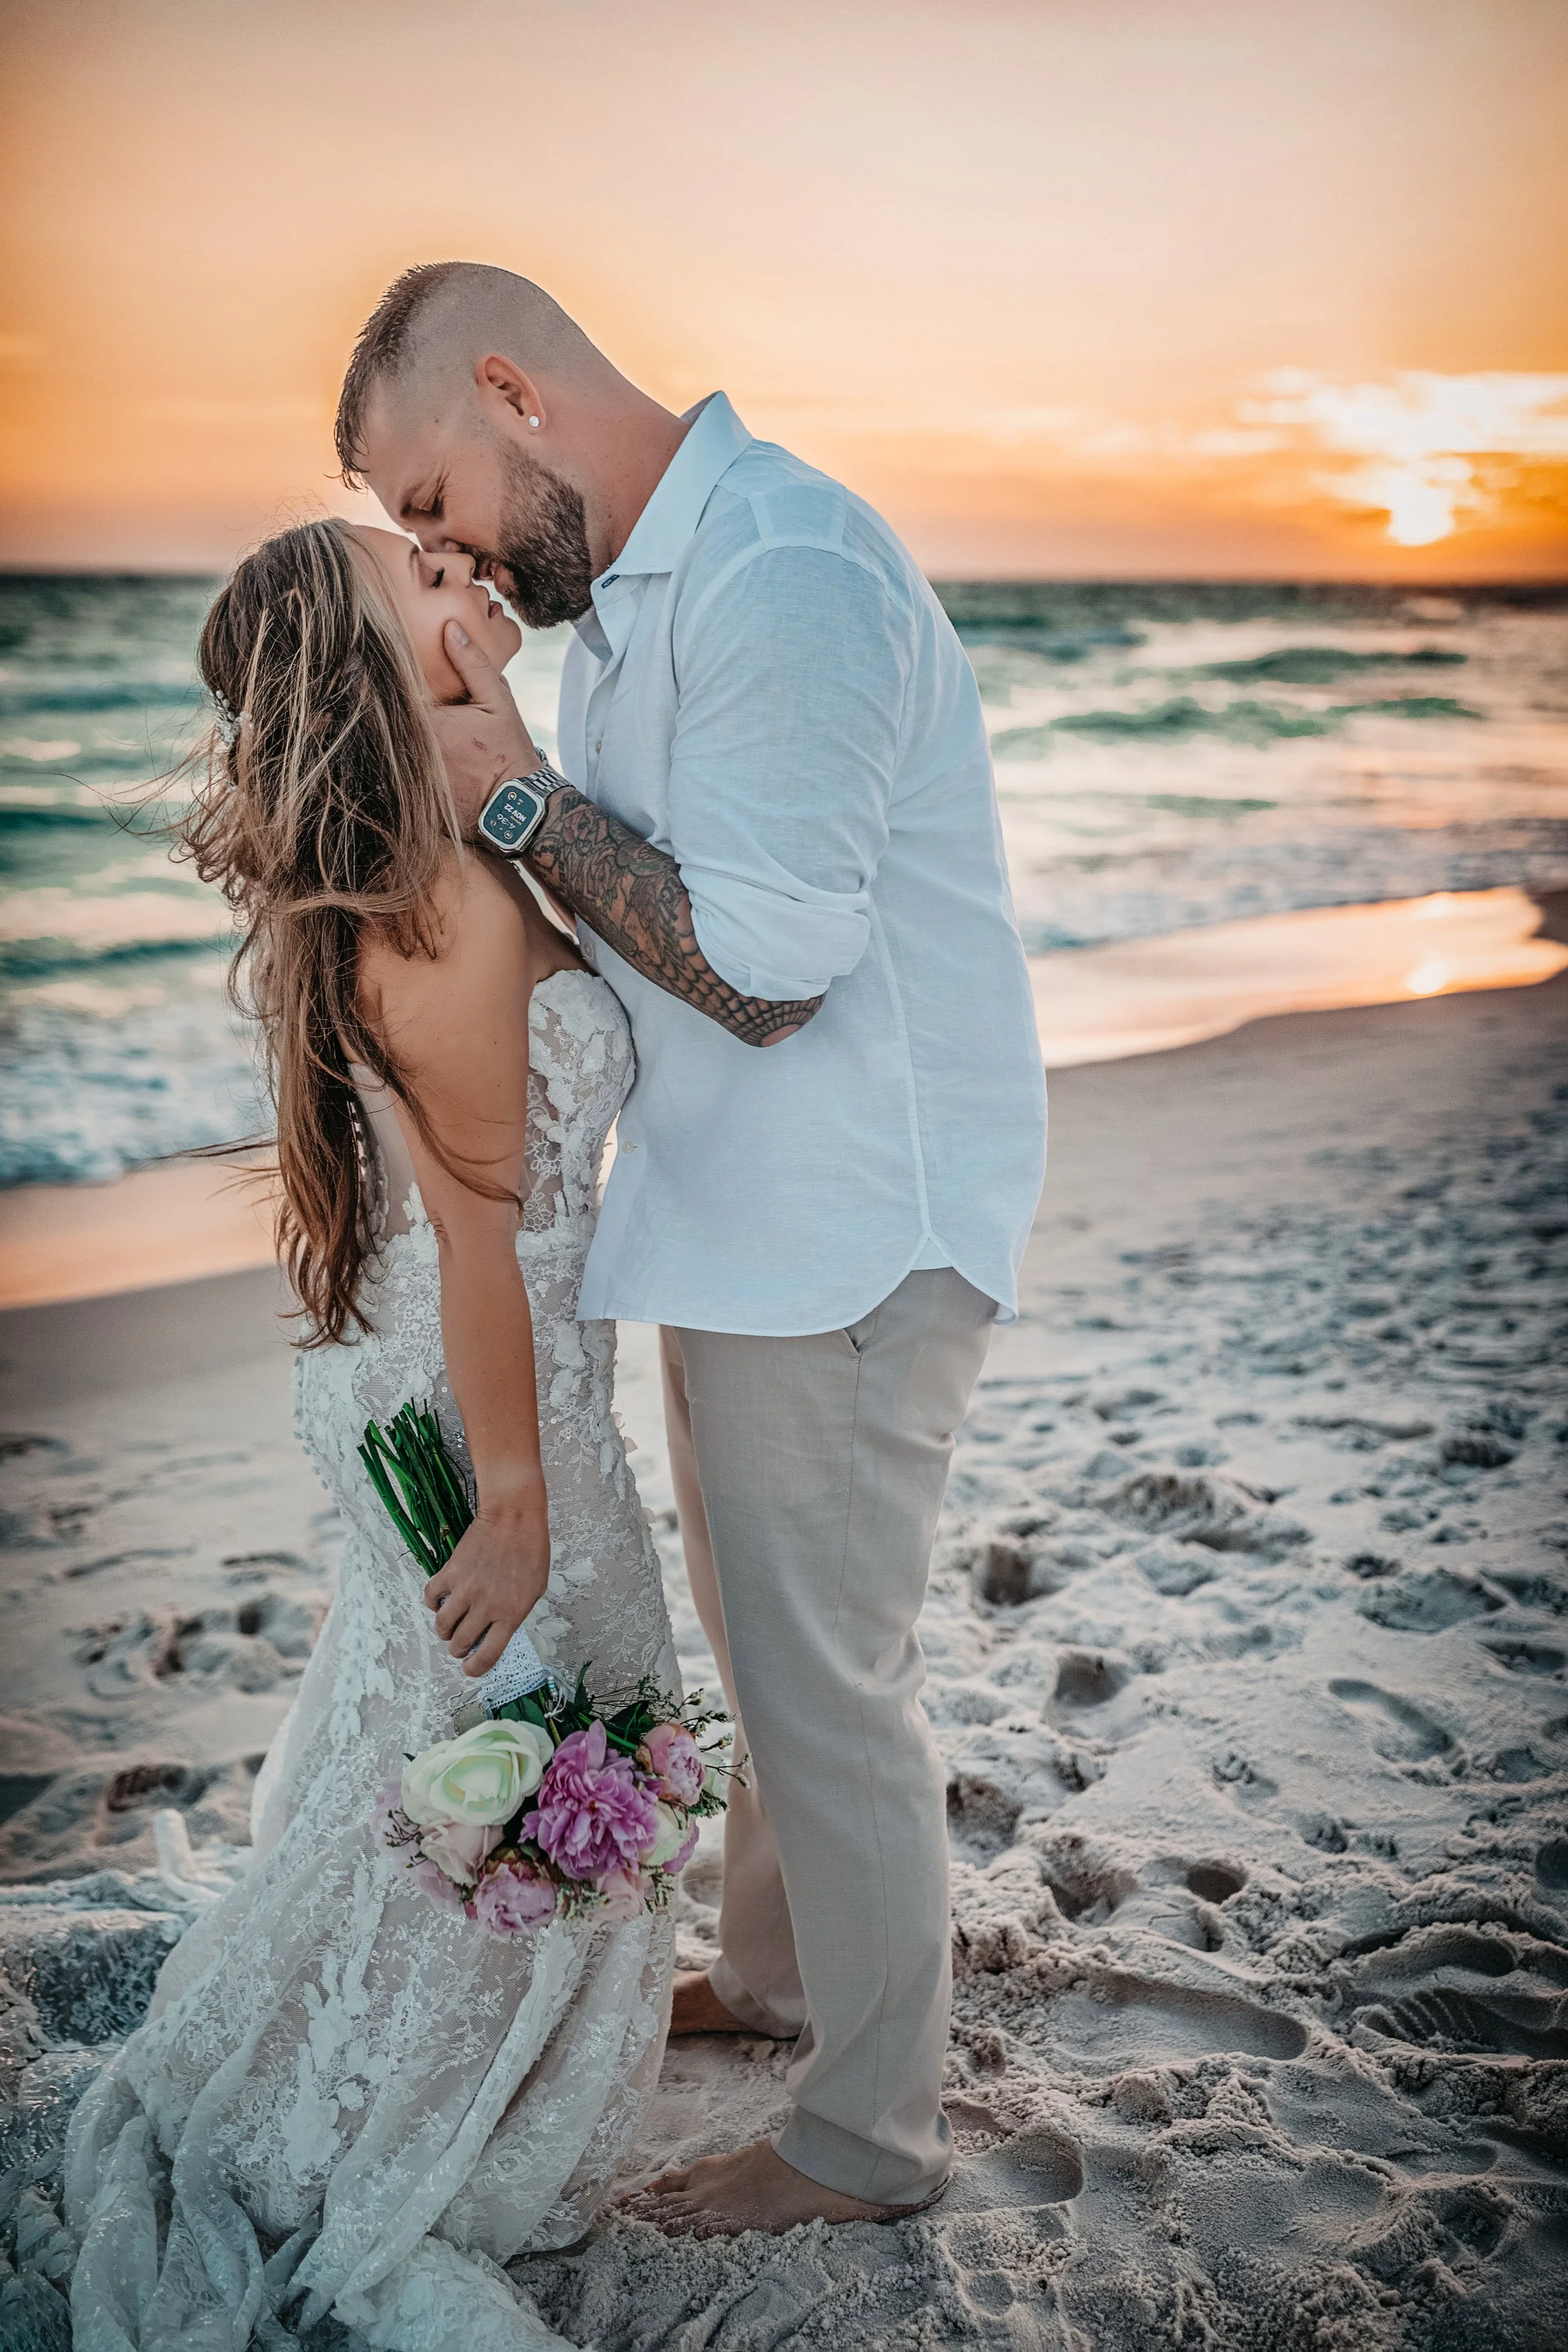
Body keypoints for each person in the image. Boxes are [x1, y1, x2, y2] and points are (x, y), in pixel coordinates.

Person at [338, 263, 1048, 2238]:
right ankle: (777, 1978)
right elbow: (620, 906)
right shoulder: (640, 600)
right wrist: (486, 737)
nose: (438, 547)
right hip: (736, 1216)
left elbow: (759, 972)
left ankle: (863, 2134)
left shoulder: (788, 574)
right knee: (764, 1641)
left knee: (825, 1681)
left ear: (512, 391)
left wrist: (513, 785)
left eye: (428, 499)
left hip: (845, 1227)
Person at [64, 515, 676, 2351]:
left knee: (449, 1746)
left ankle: (415, 2055)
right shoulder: (432, 909)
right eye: (428, 585)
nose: (467, 580)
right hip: (484, 1387)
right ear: (373, 662)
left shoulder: (430, 859)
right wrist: (513, 1497)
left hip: (457, 1358)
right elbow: (485, 1232)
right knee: (524, 1729)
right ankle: (408, 2113)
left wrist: (509, 731)